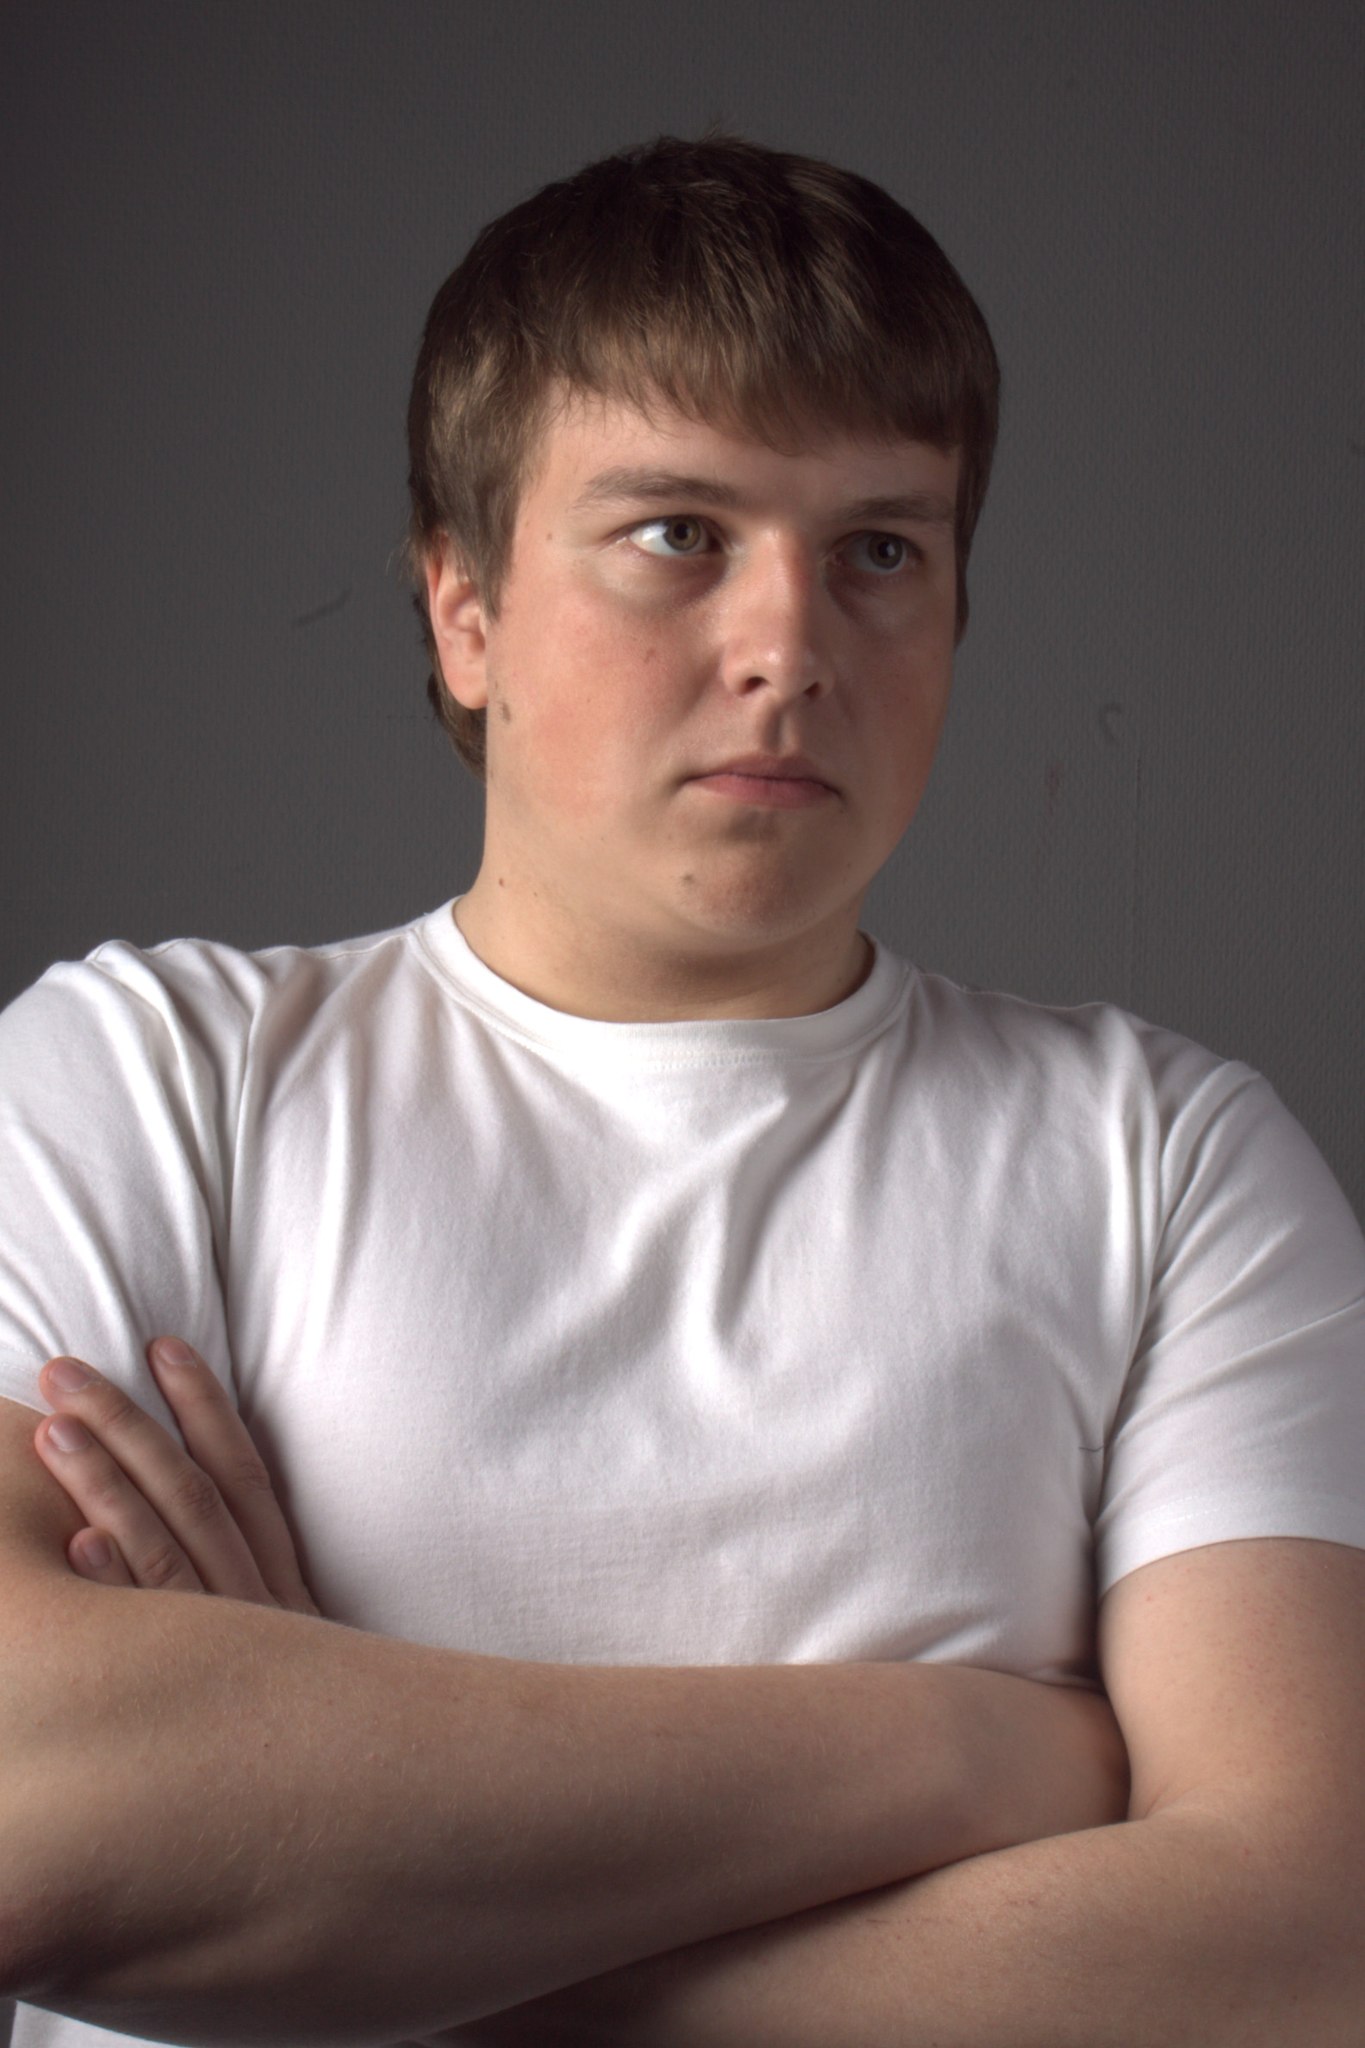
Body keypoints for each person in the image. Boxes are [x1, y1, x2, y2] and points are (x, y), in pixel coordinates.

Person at [1, 130, 1363, 2047]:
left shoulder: (1169, 1161)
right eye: (676, 535)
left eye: (880, 549)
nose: (787, 648)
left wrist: (341, 1895)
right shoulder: (150, 1076)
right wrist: (970, 1754)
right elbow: (28, 1816)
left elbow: (1298, 1947)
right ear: (463, 610)